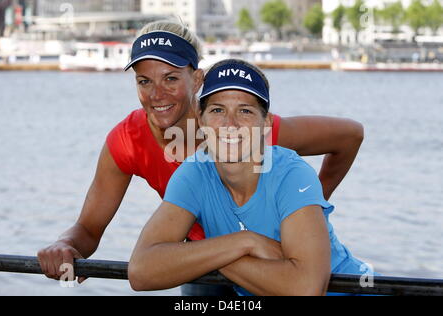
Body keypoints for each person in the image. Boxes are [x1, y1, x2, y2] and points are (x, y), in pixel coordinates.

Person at [37, 21, 364, 295]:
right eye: (144, 81)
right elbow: (91, 228)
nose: (157, 94)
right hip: (203, 257)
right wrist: (65, 245)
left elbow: (349, 136)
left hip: (272, 253)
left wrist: (308, 204)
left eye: (170, 78)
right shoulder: (128, 141)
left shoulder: (248, 131)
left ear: (196, 79)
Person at [128, 59, 375, 296]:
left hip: (352, 291)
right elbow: (140, 271)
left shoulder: (291, 173)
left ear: (265, 123)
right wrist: (245, 242)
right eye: (217, 110)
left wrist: (211, 257)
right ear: (201, 119)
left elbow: (306, 289)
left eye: (245, 111)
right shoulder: (194, 174)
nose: (230, 124)